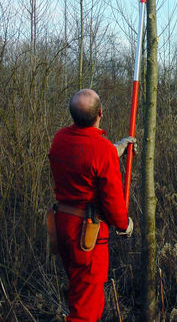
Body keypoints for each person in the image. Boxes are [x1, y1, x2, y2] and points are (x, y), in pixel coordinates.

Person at [48, 88, 135, 322]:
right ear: (101, 114)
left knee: (80, 293)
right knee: (86, 309)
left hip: (62, 225)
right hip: (87, 233)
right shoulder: (102, 150)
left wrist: (117, 147)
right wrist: (124, 224)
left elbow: (85, 157)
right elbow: (112, 199)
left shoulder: (60, 139)